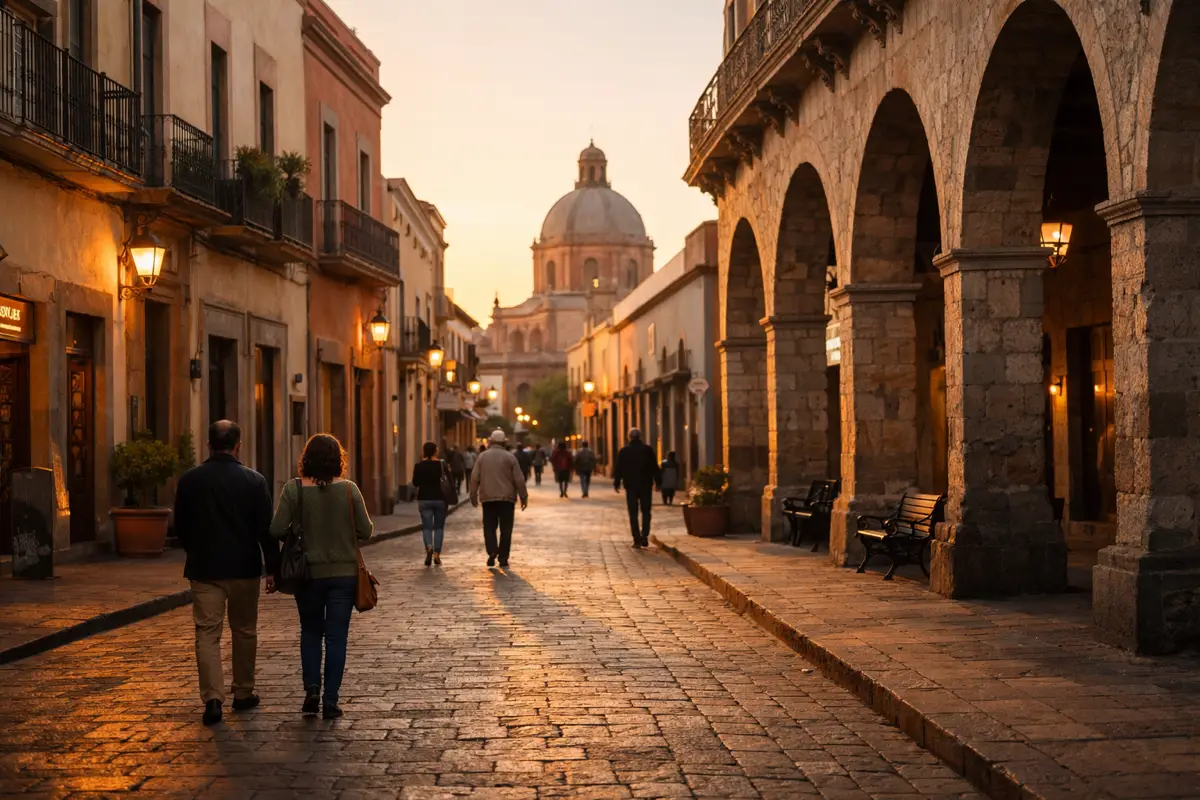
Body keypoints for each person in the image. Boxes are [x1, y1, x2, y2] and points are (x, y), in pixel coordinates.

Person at [173, 420, 278, 726]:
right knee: (244, 630)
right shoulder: (254, 481)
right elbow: (265, 529)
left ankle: (213, 699)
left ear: (208, 445)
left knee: (207, 633)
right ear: (238, 446)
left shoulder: (190, 480)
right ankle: (243, 693)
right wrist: (272, 567)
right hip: (244, 568)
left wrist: (195, 550)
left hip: (205, 569)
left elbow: (181, 526)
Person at [270, 434, 373, 720]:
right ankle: (331, 700)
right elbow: (366, 531)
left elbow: (277, 529)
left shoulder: (294, 490)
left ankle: (311, 688)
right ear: (338, 460)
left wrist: (300, 523)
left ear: (306, 459)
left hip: (308, 575)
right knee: (337, 636)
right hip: (344, 574)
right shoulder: (350, 490)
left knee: (311, 632)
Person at [469, 429, 528, 568]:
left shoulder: (482, 457)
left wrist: (473, 494)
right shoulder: (510, 457)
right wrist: (523, 496)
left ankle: (492, 551)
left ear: (490, 442)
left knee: (489, 528)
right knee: (506, 530)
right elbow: (519, 479)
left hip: (488, 498)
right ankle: (503, 557)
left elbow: (474, 477)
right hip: (506, 499)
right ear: (504, 443)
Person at [613, 428, 661, 549]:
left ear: (629, 437)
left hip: (631, 485)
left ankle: (637, 539)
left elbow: (619, 468)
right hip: (645, 484)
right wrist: (658, 482)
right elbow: (654, 467)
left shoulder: (624, 451)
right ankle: (644, 534)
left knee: (633, 513)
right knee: (646, 511)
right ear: (640, 437)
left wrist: (617, 482)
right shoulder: (647, 450)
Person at [412, 441, 449, 566]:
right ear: (435, 451)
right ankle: (437, 553)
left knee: (427, 527)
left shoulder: (419, 466)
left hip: (424, 499)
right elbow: (449, 481)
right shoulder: (441, 465)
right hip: (440, 499)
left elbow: (415, 483)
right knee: (439, 527)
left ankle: (428, 547)